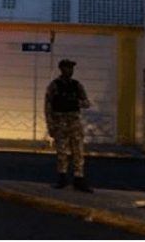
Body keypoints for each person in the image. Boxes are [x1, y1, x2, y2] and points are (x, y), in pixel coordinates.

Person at [45, 59, 94, 193]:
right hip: (60, 122)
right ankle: (62, 178)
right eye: (67, 68)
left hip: (74, 122)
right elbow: (48, 106)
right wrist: (50, 125)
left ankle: (79, 179)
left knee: (78, 151)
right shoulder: (54, 85)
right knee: (62, 152)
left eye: (71, 68)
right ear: (61, 69)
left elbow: (87, 103)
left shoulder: (76, 85)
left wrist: (75, 102)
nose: (70, 71)